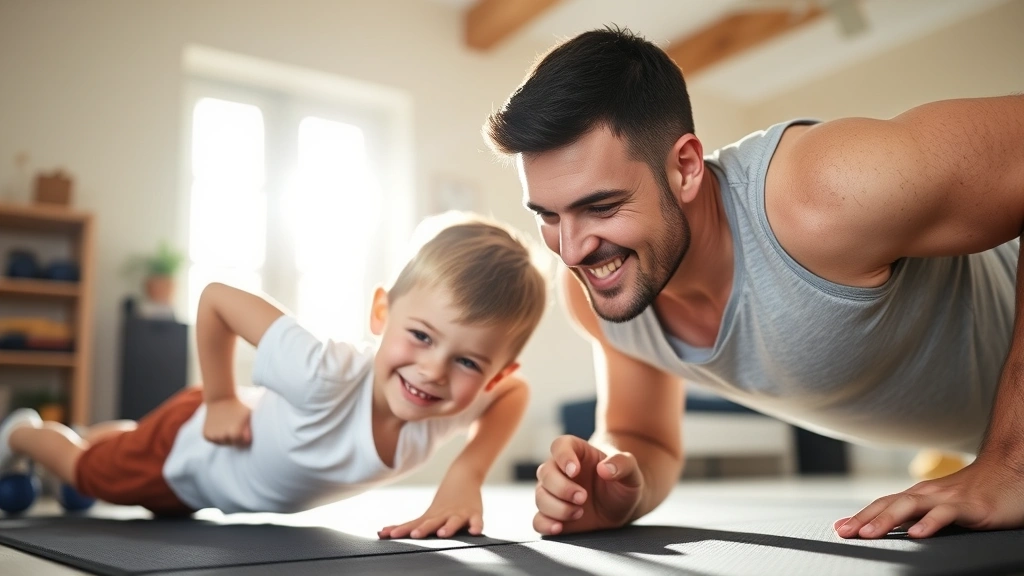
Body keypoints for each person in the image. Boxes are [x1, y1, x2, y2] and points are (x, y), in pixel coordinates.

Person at [483, 26, 1024, 540]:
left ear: (687, 167)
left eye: (600, 206)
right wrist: (617, 485)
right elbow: (641, 434)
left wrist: (1013, 460)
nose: (572, 250)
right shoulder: (596, 292)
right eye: (548, 216)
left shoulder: (826, 189)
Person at [0, 212, 547, 539]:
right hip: (189, 450)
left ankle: (104, 438)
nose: (432, 371)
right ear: (381, 313)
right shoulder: (325, 374)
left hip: (206, 485)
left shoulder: (447, 404)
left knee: (124, 459)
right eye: (421, 336)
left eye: (468, 361)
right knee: (90, 476)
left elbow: (516, 396)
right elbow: (216, 299)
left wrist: (467, 473)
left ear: (495, 373)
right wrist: (219, 399)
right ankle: (21, 433)